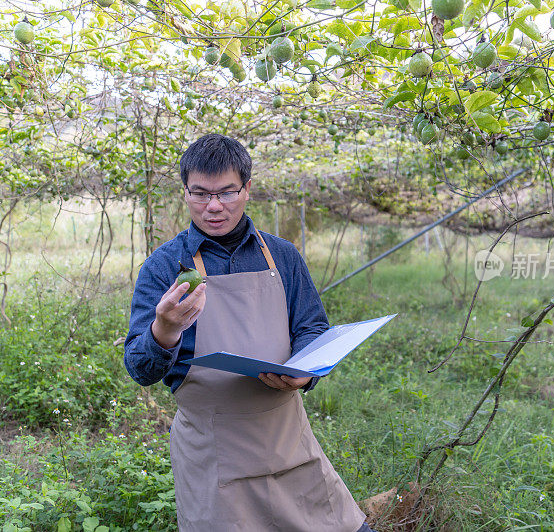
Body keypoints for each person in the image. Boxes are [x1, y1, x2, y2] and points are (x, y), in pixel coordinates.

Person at [124, 134, 375, 531]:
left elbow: (311, 326)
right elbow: (140, 368)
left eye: (227, 192)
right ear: (185, 192)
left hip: (288, 441)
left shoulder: (282, 255)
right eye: (200, 194)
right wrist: (164, 329)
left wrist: (306, 369)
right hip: (215, 455)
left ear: (247, 188)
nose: (214, 206)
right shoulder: (164, 266)